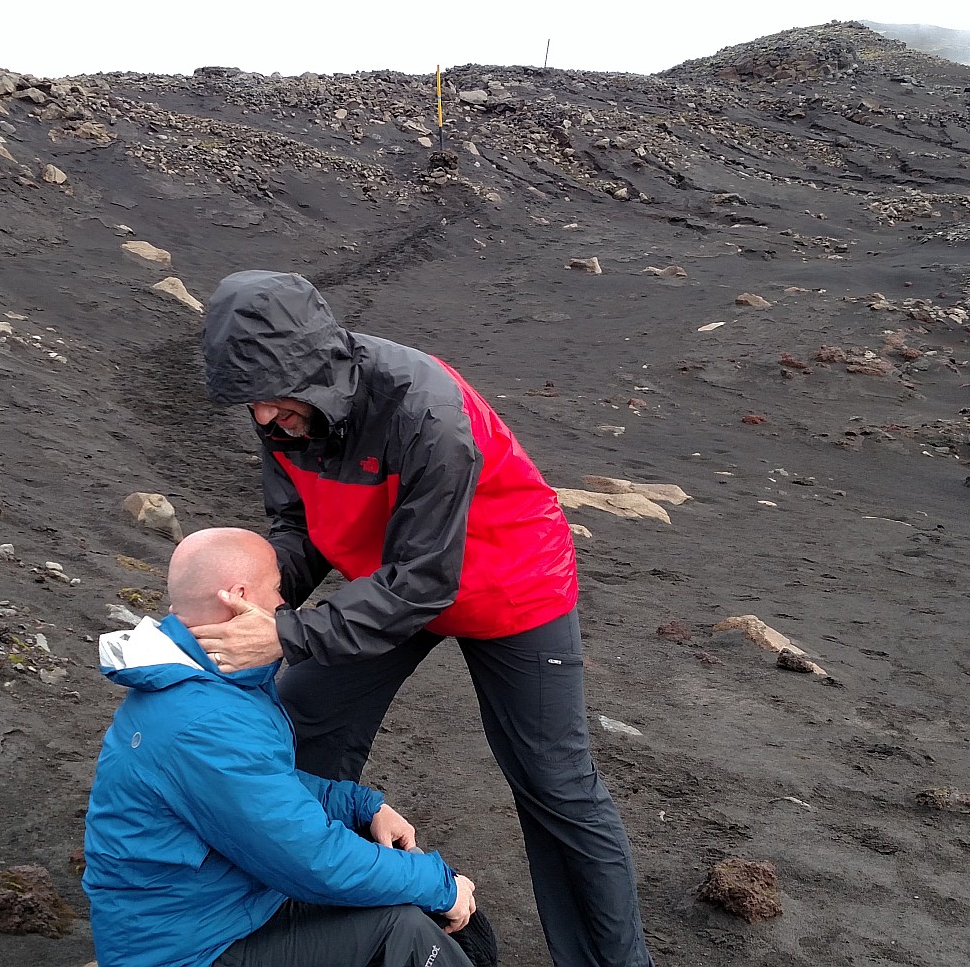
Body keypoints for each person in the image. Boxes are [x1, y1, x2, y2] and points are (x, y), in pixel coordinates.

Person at [191, 270, 655, 967]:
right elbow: (299, 524)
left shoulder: (426, 410)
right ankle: (302, 922)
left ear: (316, 369)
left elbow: (426, 583)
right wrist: (259, 596)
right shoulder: (286, 410)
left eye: (273, 401)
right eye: (249, 403)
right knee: (295, 729)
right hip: (389, 580)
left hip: (509, 585)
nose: (262, 420)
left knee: (555, 784)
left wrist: (285, 635)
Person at [81, 527, 478, 967]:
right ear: (238, 598)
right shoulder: (204, 719)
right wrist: (440, 884)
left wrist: (360, 805)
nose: (285, 607)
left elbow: (263, 788)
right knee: (407, 934)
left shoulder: (201, 677)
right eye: (276, 590)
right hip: (188, 949)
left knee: (436, 911)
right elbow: (314, 861)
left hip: (222, 909)